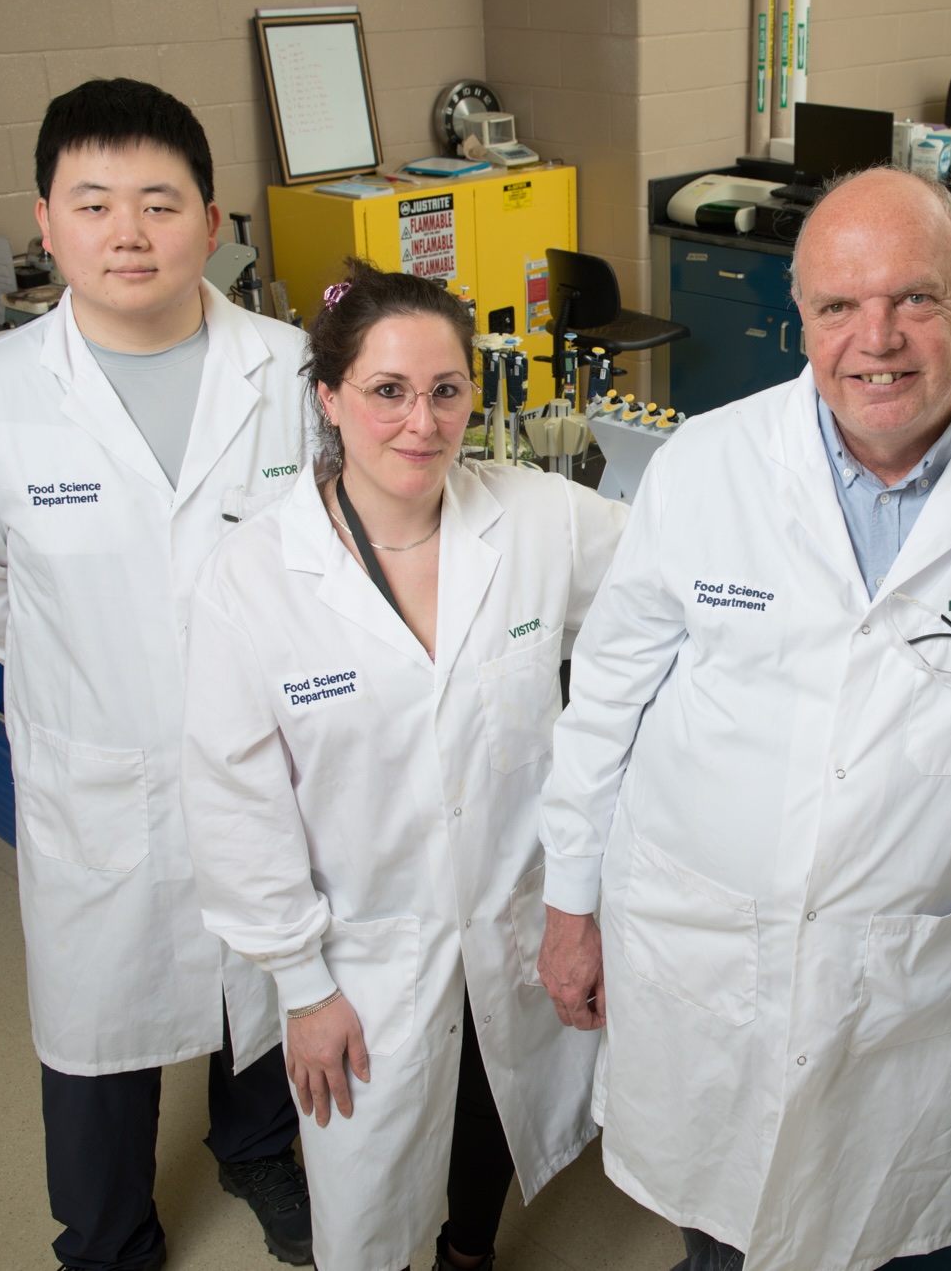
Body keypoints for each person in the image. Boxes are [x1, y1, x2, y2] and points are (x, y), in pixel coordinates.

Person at [536, 166, 951, 1271]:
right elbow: (606, 710)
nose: (877, 339)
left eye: (913, 299)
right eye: (838, 306)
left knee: (880, 1232)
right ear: (801, 319)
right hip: (699, 945)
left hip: (907, 975)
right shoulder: (708, 464)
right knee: (717, 1233)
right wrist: (568, 907)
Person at [0, 79, 312, 1271]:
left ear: (213, 218)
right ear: (45, 220)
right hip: (102, 768)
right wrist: (86, 669)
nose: (127, 233)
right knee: (97, 1026)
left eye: (157, 202)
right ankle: (106, 1234)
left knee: (266, 983)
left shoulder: (294, 374)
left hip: (269, 761)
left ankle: (259, 1153)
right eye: (93, 204)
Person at [180, 261, 628, 1271]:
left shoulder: (540, 518)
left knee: (489, 1108)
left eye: (445, 390)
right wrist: (301, 985)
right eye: (386, 391)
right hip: (359, 954)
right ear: (330, 397)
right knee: (368, 1195)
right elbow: (234, 805)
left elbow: (668, 585)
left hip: (512, 921)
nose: (420, 422)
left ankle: (471, 1248)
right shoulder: (253, 578)